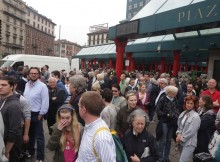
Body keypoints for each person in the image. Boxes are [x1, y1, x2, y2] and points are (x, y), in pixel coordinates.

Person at [76, 91, 116, 162]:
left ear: (84, 110)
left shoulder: (102, 137)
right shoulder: (89, 126)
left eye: (79, 105)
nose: (78, 106)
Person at [24, 67, 49, 162]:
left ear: (38, 75)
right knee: (30, 135)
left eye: (35, 73)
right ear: (29, 74)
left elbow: (45, 101)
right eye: (31, 73)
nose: (33, 74)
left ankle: (40, 157)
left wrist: (41, 113)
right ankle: (31, 152)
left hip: (37, 114)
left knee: (39, 137)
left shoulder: (42, 86)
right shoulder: (27, 84)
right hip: (27, 114)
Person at [0, 76, 22, 162]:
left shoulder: (14, 105)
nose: (0, 87)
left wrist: (6, 151)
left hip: (10, 146)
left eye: (4, 85)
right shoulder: (3, 99)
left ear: (12, 86)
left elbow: (14, 131)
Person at [156, 85, 179, 162]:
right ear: (170, 92)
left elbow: (177, 109)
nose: (176, 94)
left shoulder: (175, 99)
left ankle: (166, 157)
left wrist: (176, 115)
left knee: (169, 140)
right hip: (164, 122)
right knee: (163, 140)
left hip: (172, 122)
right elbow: (158, 111)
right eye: (175, 92)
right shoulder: (163, 99)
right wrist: (166, 114)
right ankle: (160, 157)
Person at [176, 95, 201, 162]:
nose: (189, 105)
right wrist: (178, 133)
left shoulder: (196, 116)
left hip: (190, 143)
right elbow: (180, 126)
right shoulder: (183, 113)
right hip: (181, 141)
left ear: (194, 104)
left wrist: (181, 138)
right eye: (187, 103)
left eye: (191, 103)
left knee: (182, 160)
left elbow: (191, 131)